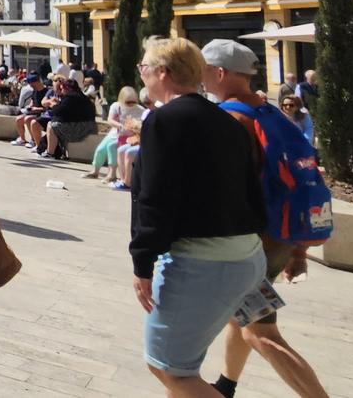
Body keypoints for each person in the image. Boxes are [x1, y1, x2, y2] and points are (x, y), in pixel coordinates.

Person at [130, 37, 266, 397]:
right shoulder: (228, 121)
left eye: (144, 68)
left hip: (205, 262)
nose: (142, 75)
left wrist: (142, 263)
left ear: (162, 72)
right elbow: (251, 187)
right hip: (247, 255)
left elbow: (154, 199)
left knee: (169, 367)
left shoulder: (163, 121)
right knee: (179, 365)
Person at [199, 40, 327, 398]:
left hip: (252, 239)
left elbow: (223, 185)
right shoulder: (271, 113)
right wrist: (297, 249)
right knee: (240, 317)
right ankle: (226, 386)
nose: (201, 78)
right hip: (282, 233)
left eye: (205, 71)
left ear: (220, 73)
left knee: (261, 333)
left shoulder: (229, 118)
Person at [87, 88, 147, 182]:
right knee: (100, 149)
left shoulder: (141, 110)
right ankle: (95, 171)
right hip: (116, 133)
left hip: (130, 136)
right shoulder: (116, 106)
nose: (131, 104)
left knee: (112, 147)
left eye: (133, 101)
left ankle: (112, 174)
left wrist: (135, 127)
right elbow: (110, 120)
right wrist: (119, 125)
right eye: (128, 102)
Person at [42, 79, 98, 161]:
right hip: (90, 128)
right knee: (60, 126)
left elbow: (57, 112)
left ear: (68, 88)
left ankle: (50, 153)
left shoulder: (70, 97)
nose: (61, 91)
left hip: (80, 129)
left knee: (51, 125)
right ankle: (63, 153)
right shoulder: (84, 98)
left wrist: (53, 105)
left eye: (62, 89)